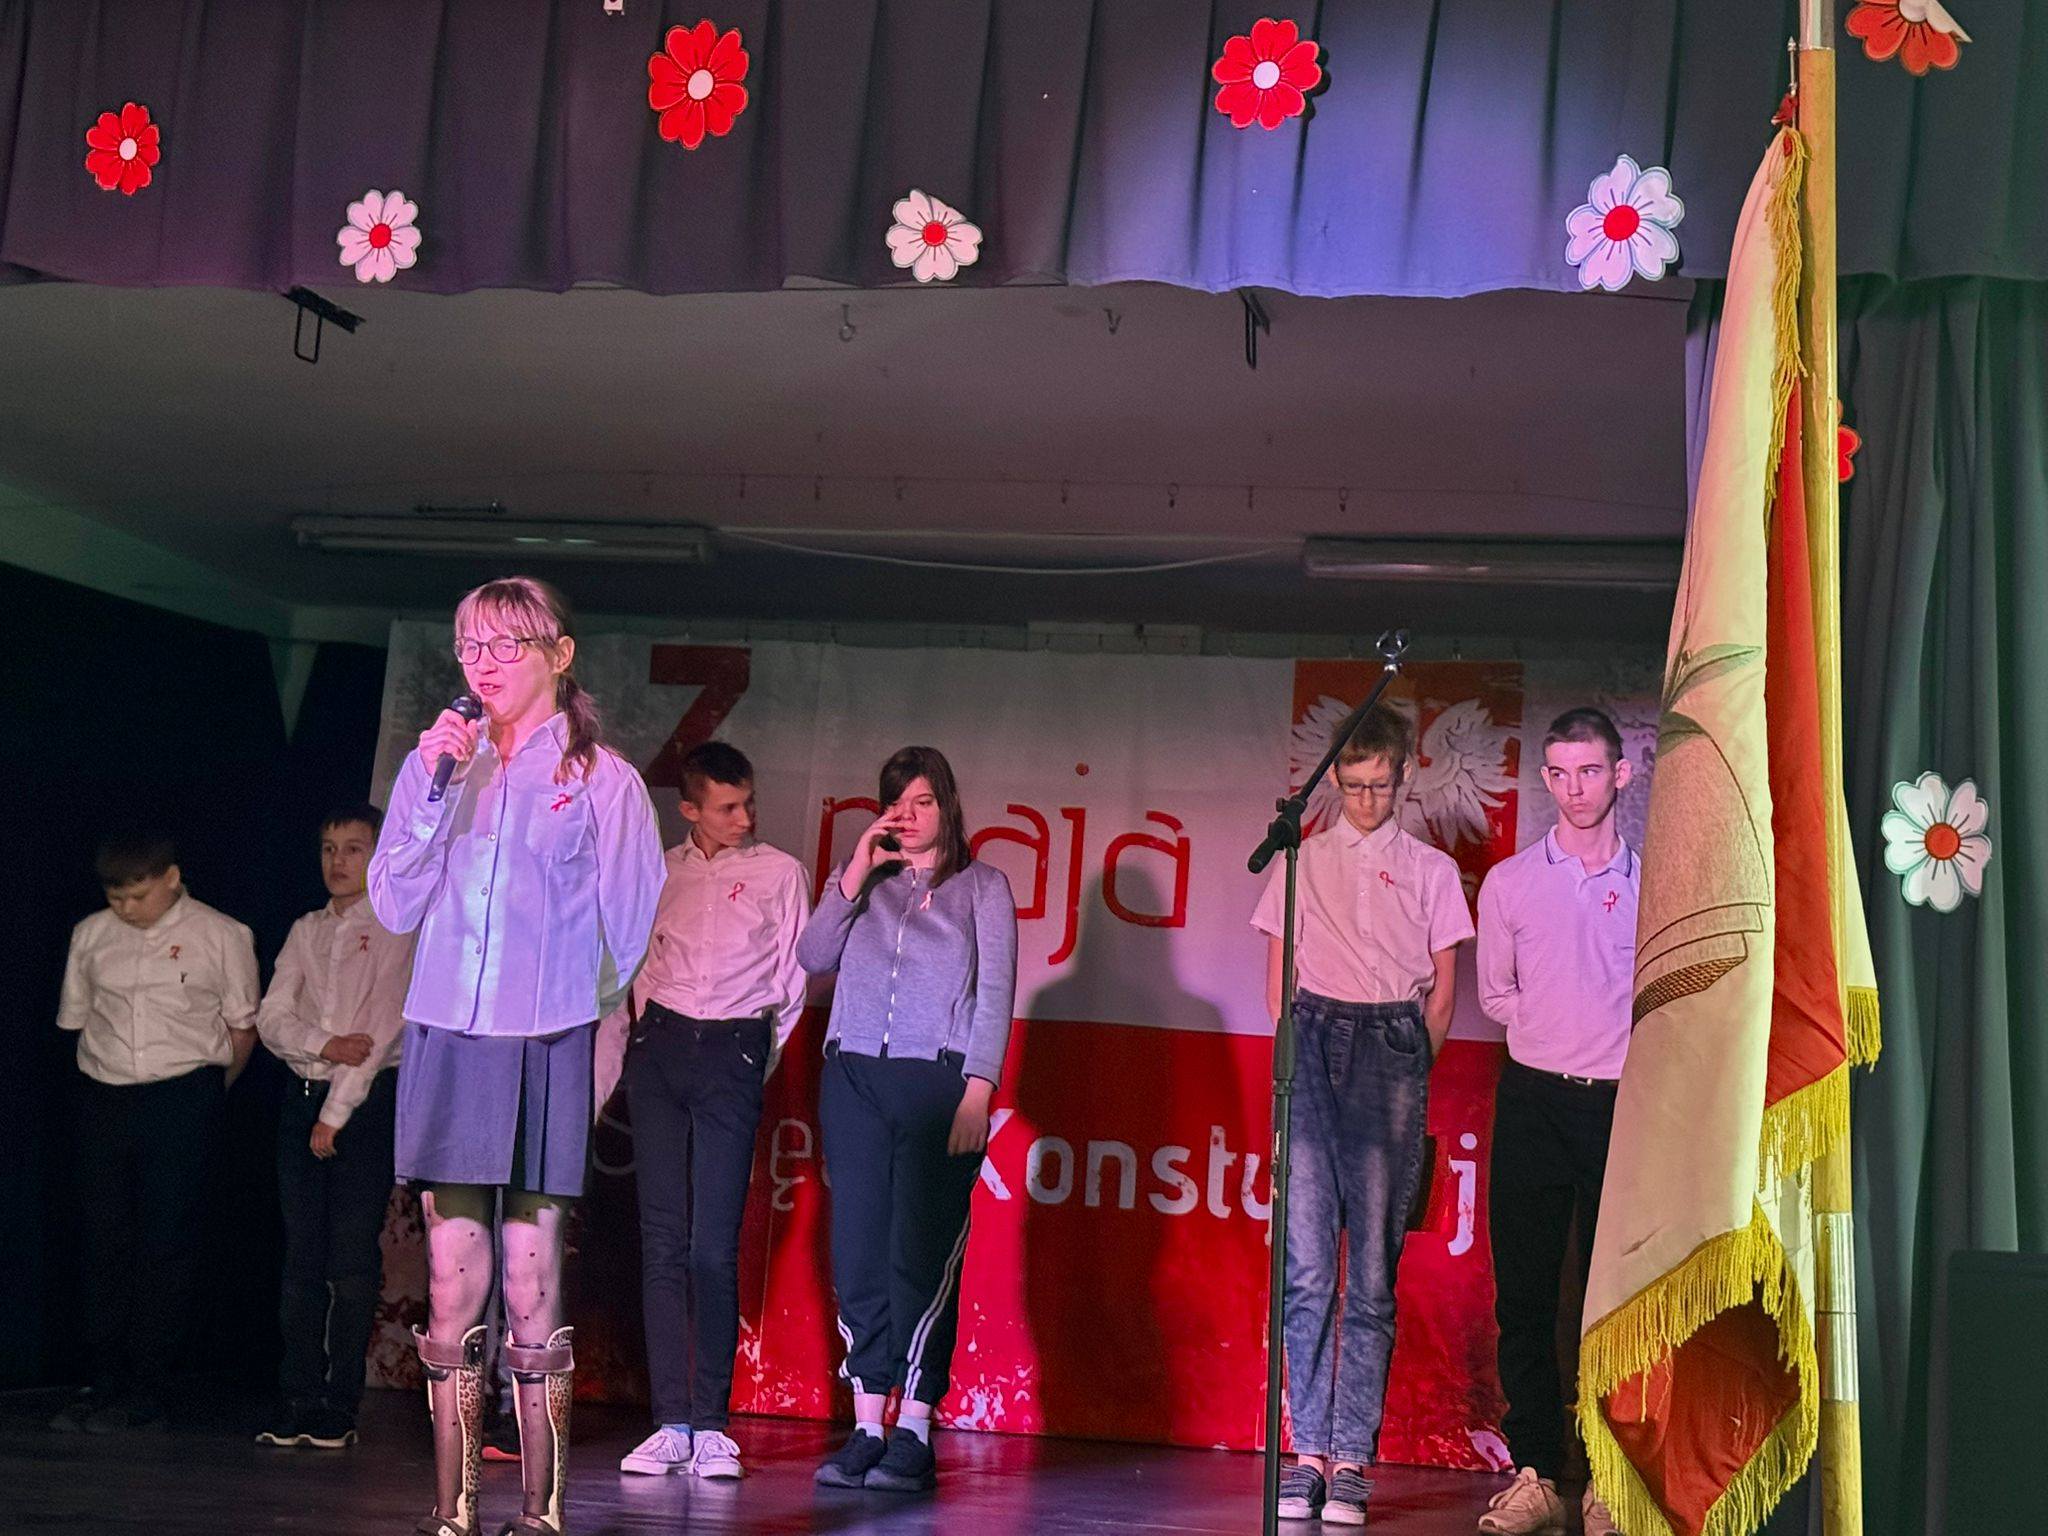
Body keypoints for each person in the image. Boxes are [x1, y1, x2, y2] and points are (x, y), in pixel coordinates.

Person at [370, 576, 664, 1536]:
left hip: (544, 1040)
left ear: (559, 655)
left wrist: (577, 1033)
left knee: (534, 1280)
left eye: (506, 645)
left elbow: (628, 935)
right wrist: (431, 790)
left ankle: (542, 1513)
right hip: (447, 1034)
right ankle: (452, 1511)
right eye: (469, 646)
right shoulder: (438, 765)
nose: (483, 664)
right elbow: (393, 905)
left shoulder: (604, 780)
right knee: (450, 1279)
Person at [1252, 709, 1473, 1526]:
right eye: (1352, 786)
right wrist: (1295, 1056)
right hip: (1315, 1037)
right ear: (1334, 782)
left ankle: (1351, 1458)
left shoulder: (1431, 869)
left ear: (1404, 777)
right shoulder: (1303, 858)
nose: (1366, 800)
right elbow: (1277, 977)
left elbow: (1443, 991)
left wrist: (1411, 1063)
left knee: (1373, 1273)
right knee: (1308, 1266)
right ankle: (1306, 1450)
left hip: (1390, 1043)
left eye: (1380, 785)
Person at [797, 746, 1016, 1493]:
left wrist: (978, 1092)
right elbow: (812, 954)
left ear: (947, 806)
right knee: (858, 1252)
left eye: (924, 801)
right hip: (854, 1075)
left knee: (919, 1254)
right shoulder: (866, 883)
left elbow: (996, 994)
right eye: (898, 803)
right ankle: (867, 1424)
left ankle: (914, 1428)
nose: (911, 816)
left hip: (938, 1085)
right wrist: (855, 870)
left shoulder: (983, 887)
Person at [616, 740, 811, 1482]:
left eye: (748, 803)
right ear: (690, 809)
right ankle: (670, 1422)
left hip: (734, 1048)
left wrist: (752, 1057)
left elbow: (793, 980)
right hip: (662, 1046)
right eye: (727, 807)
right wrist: (645, 1037)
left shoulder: (780, 873)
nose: (744, 817)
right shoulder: (658, 871)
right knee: (662, 1239)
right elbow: (634, 961)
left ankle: (711, 1425)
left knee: (711, 1245)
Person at [1474, 709, 1639, 1536]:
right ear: (1546, 779)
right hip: (1534, 1097)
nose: (1575, 789)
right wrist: (1550, 1028)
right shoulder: (1511, 883)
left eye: (1590, 771)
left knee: (1618, 1298)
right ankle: (1536, 1471)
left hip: (1622, 1104)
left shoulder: (1652, 884)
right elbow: (1494, 994)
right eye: (1561, 774)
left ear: (1621, 774)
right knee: (1527, 1293)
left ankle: (1610, 1478)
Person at [51, 834, 260, 1434]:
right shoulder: (91, 934)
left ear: (171, 877)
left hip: (182, 1094)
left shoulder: (222, 934)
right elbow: (76, 1019)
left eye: (138, 895)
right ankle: (102, 1380)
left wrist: (206, 1095)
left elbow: (242, 1026)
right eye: (115, 897)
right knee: (103, 1240)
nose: (126, 908)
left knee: (166, 1241)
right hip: (105, 1095)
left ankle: (148, 1386)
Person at [253, 803, 415, 1450]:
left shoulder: (396, 927)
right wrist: (323, 1044)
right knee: (301, 1255)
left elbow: (377, 1034)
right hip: (302, 1094)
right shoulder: (306, 929)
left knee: (350, 1256)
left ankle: (339, 1401)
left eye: (353, 848)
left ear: (378, 856)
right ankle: (296, 1393)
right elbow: (271, 1017)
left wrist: (334, 1113)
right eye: (328, 848)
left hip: (362, 1106)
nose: (338, 861)